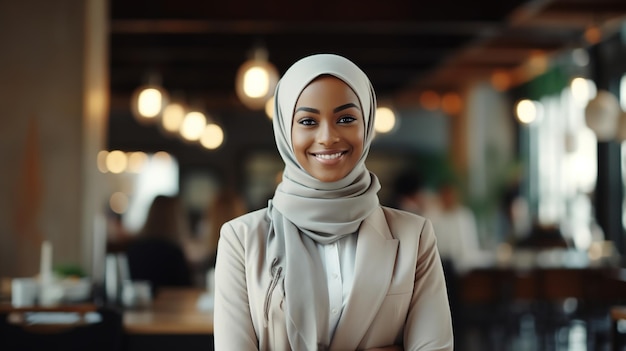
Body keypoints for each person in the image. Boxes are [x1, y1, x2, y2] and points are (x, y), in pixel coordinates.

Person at [214, 54, 453, 350]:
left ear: (367, 125)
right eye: (307, 121)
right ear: (286, 131)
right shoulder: (241, 239)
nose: (327, 137)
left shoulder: (414, 236)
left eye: (346, 119)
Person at [125, 195, 193, 294]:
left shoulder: (133, 248)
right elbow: (187, 289)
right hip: (170, 307)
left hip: (138, 306)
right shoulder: (174, 253)